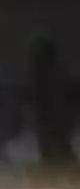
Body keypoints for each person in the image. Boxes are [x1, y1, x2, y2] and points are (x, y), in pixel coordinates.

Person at [29, 37, 77, 170]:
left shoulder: (44, 74)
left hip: (55, 122)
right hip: (54, 122)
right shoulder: (43, 74)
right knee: (56, 154)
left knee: (58, 152)